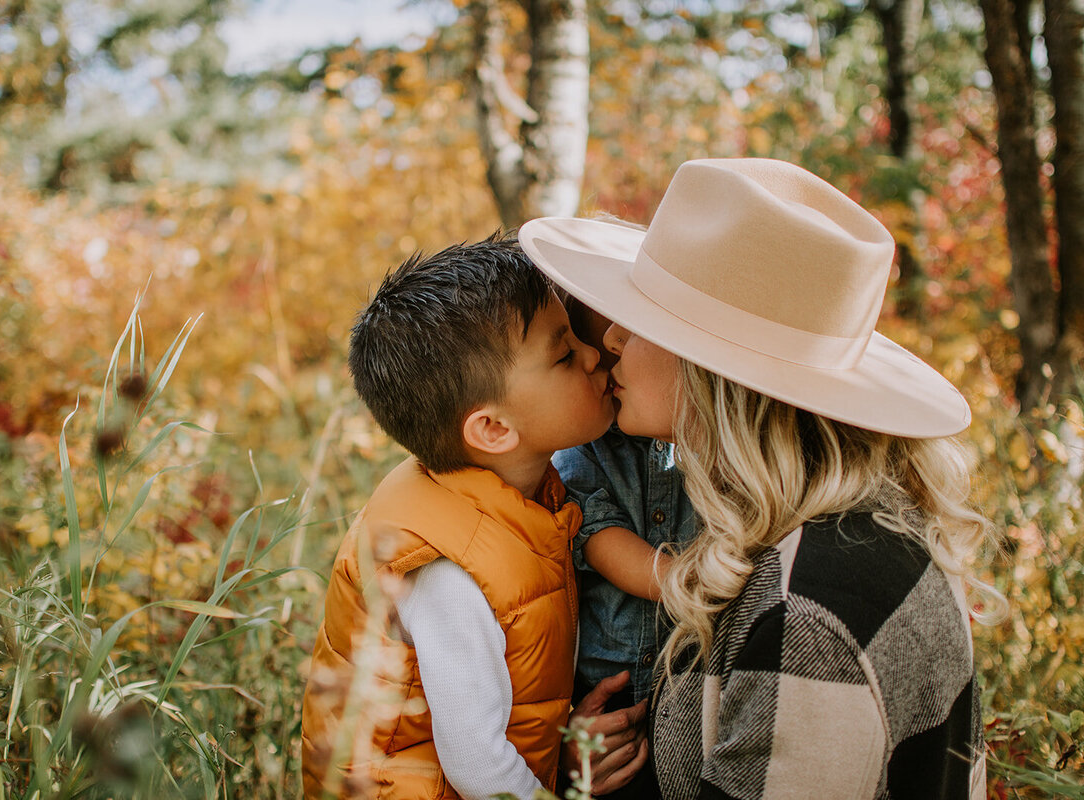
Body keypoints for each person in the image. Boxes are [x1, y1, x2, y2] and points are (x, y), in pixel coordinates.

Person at [520, 158, 995, 798]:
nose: (612, 341)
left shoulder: (808, 609)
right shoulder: (829, 532)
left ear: (710, 372)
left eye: (639, 322)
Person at [299, 232, 617, 800]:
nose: (595, 355)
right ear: (493, 429)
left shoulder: (513, 501)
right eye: (566, 353)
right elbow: (477, 764)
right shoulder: (447, 567)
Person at [552, 290, 697, 800]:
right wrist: (701, 581)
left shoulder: (690, 437)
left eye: (627, 336)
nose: (608, 353)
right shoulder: (583, 445)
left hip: (688, 698)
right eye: (593, 347)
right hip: (611, 700)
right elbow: (604, 542)